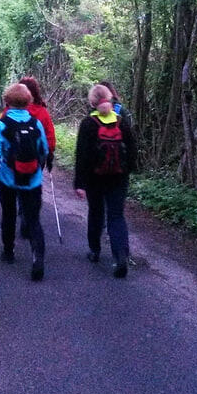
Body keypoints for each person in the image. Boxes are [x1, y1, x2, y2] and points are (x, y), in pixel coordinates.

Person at [0, 82, 48, 281]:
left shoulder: (2, 124)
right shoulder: (36, 123)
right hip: (33, 180)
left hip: (8, 178)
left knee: (9, 214)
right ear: (28, 101)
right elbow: (44, 150)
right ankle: (37, 258)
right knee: (33, 219)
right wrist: (37, 168)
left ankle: (8, 251)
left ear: (7, 101)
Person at [74, 83, 137, 277]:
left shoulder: (88, 124)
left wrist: (79, 183)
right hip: (119, 177)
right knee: (116, 216)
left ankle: (95, 251)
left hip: (95, 178)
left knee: (96, 213)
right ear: (110, 99)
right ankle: (120, 256)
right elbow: (132, 150)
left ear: (92, 102)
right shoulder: (121, 121)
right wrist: (127, 171)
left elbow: (82, 155)